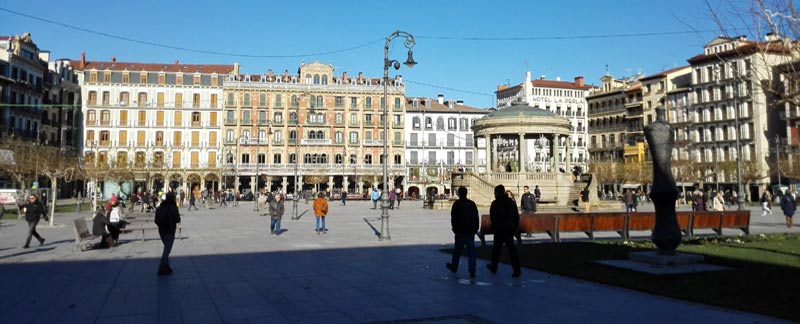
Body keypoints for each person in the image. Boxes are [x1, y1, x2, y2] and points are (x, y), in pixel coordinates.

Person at [487, 185, 521, 278]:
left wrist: (494, 227)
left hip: (499, 229)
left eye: (495, 192)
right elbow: (516, 216)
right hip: (509, 229)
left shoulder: (495, 203)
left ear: (497, 193)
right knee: (512, 250)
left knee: (496, 250)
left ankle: (494, 266)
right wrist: (515, 227)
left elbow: (493, 217)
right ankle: (517, 270)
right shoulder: (511, 202)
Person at [446, 187, 479, 278]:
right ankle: (472, 269)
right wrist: (475, 228)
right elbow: (476, 217)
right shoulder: (471, 204)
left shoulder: (457, 204)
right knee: (471, 251)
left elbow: (454, 217)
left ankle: (454, 266)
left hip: (460, 231)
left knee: (457, 250)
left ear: (459, 194)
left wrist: (454, 228)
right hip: (470, 231)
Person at [154, 192, 181, 276]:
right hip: (170, 230)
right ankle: (162, 269)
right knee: (166, 251)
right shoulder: (173, 206)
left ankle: (167, 267)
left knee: (166, 249)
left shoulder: (160, 206)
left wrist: (160, 225)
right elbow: (177, 219)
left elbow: (156, 220)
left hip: (161, 231)